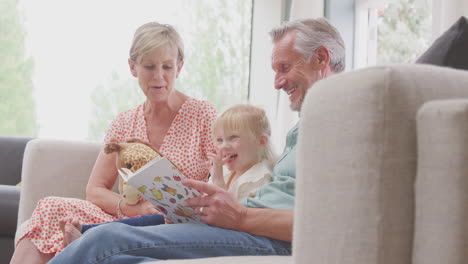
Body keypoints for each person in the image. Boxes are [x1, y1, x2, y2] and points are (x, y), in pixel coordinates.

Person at [48, 17, 346, 263]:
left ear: (321, 58)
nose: (277, 82)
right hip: (247, 225)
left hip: (265, 237)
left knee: (105, 240)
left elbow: (327, 223)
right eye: (275, 70)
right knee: (118, 258)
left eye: (284, 68)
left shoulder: (346, 123)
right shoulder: (309, 125)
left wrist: (240, 216)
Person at [10, 22, 217, 264]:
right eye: (149, 66)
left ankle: (84, 240)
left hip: (176, 227)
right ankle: (83, 240)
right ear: (133, 67)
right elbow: (95, 191)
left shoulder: (203, 115)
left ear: (179, 67)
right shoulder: (124, 122)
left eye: (167, 67)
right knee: (49, 208)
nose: (158, 76)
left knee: (89, 234)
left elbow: (224, 180)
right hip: (127, 221)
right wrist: (134, 210)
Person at [58, 104, 277, 245]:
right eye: (219, 140)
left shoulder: (258, 178)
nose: (223, 146)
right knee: (155, 218)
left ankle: (88, 234)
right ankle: (86, 231)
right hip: (202, 223)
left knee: (153, 222)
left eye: (233, 138)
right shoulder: (233, 172)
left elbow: (235, 217)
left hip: (224, 235)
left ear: (260, 141)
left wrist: (216, 177)